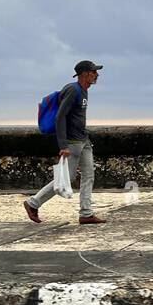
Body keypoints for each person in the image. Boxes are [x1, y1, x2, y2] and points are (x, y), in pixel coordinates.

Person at [24, 60, 106, 225]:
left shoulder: (84, 91)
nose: (97, 75)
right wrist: (63, 146)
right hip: (72, 142)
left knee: (89, 175)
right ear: (85, 74)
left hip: (84, 140)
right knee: (66, 178)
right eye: (93, 72)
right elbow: (59, 117)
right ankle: (33, 203)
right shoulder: (73, 90)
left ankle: (86, 213)